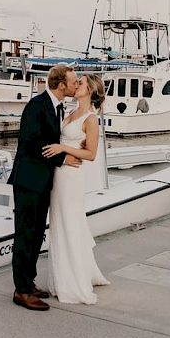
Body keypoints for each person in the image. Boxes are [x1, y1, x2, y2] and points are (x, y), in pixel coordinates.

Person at [8, 66, 80, 311]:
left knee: (37, 233)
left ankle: (29, 281)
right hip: (28, 180)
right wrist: (63, 159)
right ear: (61, 84)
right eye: (73, 81)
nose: (76, 84)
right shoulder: (37, 105)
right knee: (25, 234)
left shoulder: (58, 107)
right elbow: (33, 142)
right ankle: (22, 290)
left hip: (42, 181)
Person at [42, 74, 110, 304]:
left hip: (72, 177)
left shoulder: (91, 119)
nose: (76, 85)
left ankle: (73, 282)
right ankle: (61, 277)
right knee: (60, 224)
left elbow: (90, 154)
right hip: (59, 175)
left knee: (70, 223)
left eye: (80, 82)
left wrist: (62, 148)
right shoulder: (70, 113)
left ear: (89, 89)